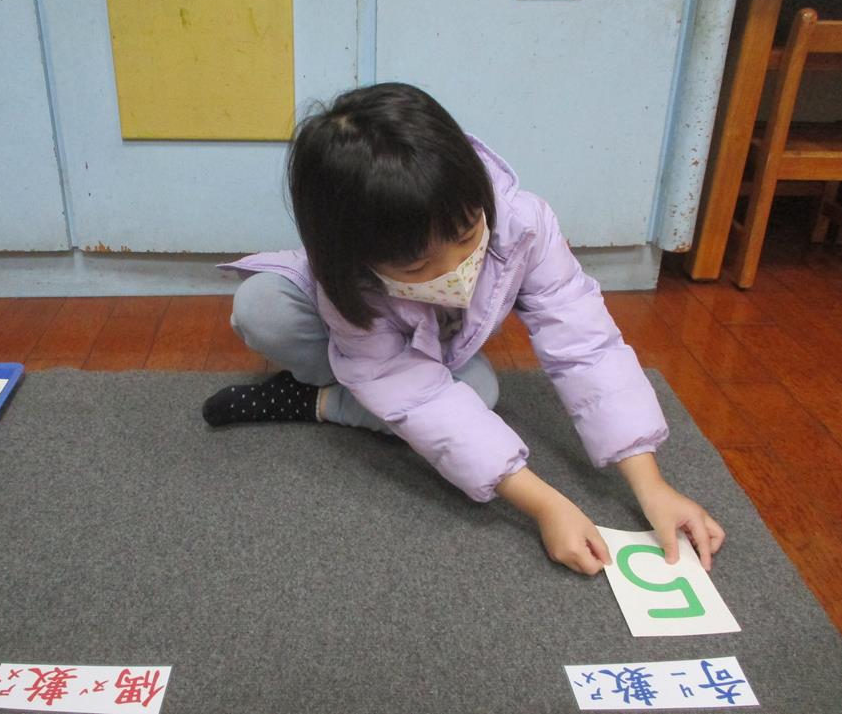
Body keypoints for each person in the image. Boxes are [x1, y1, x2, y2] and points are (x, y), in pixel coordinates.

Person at [203, 82, 725, 576]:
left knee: (477, 395)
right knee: (262, 306)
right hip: (353, 335)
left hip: (427, 348)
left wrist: (651, 485)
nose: (453, 269)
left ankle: (319, 401)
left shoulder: (524, 224)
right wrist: (545, 504)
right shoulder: (347, 277)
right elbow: (408, 390)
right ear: (353, 254)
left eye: (466, 234)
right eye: (415, 266)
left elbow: (586, 345)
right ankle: (334, 391)